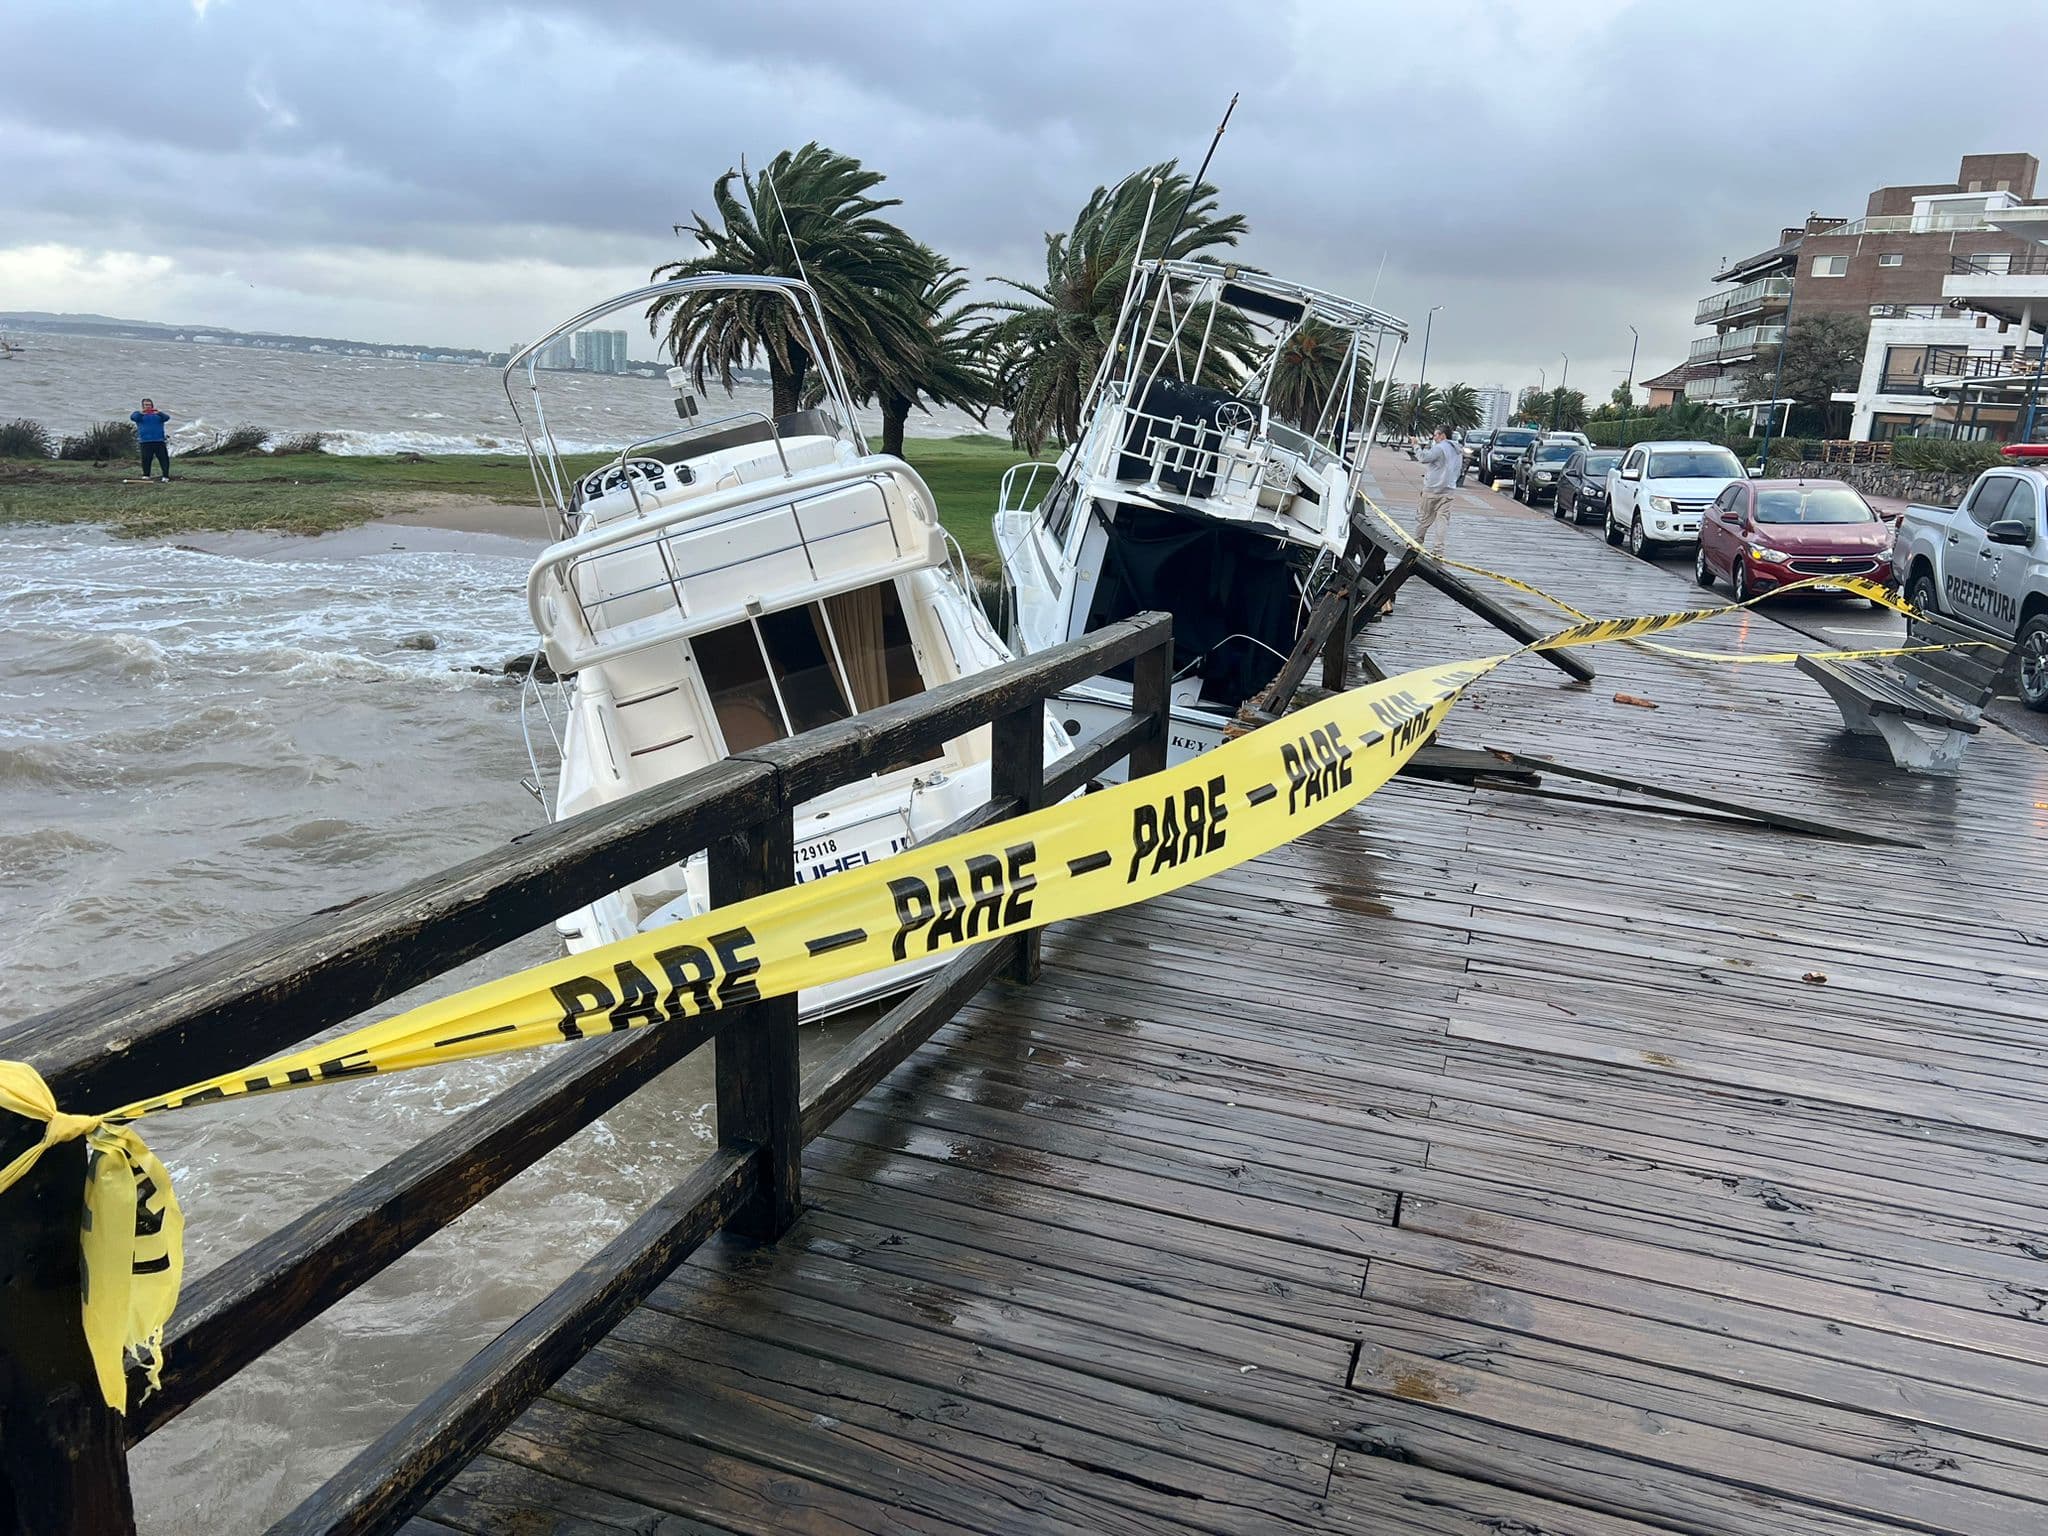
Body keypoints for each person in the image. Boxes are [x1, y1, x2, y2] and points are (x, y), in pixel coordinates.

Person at [1415, 424, 1460, 556]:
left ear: (1442, 435)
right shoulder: (1457, 450)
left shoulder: (1440, 448)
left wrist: (1416, 445)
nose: (1433, 438)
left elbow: (1423, 458)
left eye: (1435, 435)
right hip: (1449, 489)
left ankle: (1416, 543)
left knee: (1425, 518)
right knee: (1442, 520)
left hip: (1433, 489)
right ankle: (1438, 550)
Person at [130, 398, 172, 481]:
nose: (147, 407)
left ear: (152, 405)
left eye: (149, 405)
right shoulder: (139, 415)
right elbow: (133, 417)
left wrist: (159, 413)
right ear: (142, 406)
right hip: (145, 441)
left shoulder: (158, 415)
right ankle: (146, 475)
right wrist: (141, 413)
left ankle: (165, 476)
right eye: (145, 405)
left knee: (163, 459)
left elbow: (167, 418)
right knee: (146, 459)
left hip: (159, 441)